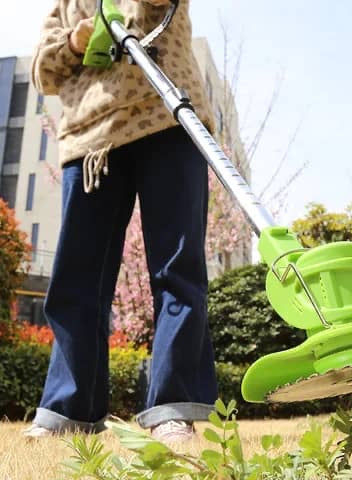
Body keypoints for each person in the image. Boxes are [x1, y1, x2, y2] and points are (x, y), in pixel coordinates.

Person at [23, 0, 219, 443]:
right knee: (78, 279)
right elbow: (43, 71)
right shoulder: (67, 5)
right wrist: (76, 40)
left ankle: (172, 406)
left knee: (177, 270)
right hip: (90, 140)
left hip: (166, 117)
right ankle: (68, 408)